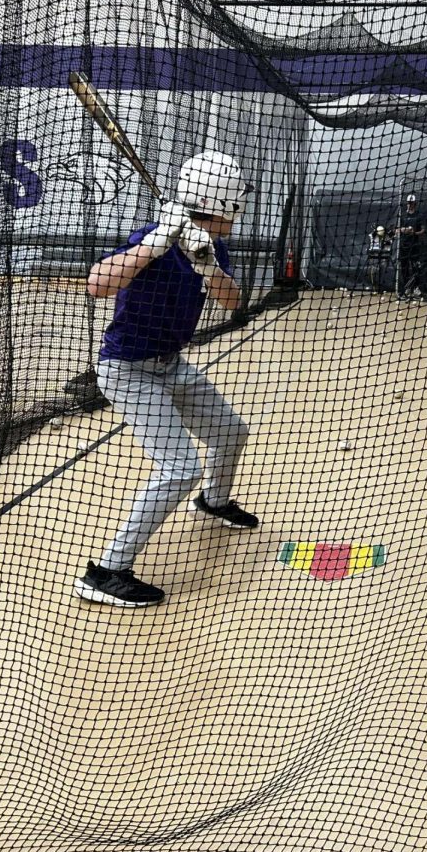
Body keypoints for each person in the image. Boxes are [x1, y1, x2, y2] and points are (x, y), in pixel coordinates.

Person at [75, 150, 259, 608]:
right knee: (180, 468)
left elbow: (233, 302)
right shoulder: (153, 237)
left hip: (171, 365)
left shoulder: (209, 243)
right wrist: (155, 244)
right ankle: (107, 572)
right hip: (127, 370)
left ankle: (213, 503)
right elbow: (97, 283)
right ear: (224, 205)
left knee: (231, 433)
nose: (240, 211)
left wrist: (208, 265)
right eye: (236, 203)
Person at [395, 193, 426, 298]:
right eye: (408, 203)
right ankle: (407, 288)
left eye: (412, 203)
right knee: (404, 267)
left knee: (416, 267)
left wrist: (414, 233)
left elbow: (423, 230)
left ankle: (416, 288)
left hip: (415, 246)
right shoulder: (402, 215)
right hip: (404, 246)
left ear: (415, 204)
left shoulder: (419, 215)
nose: (410, 205)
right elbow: (396, 230)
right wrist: (402, 230)